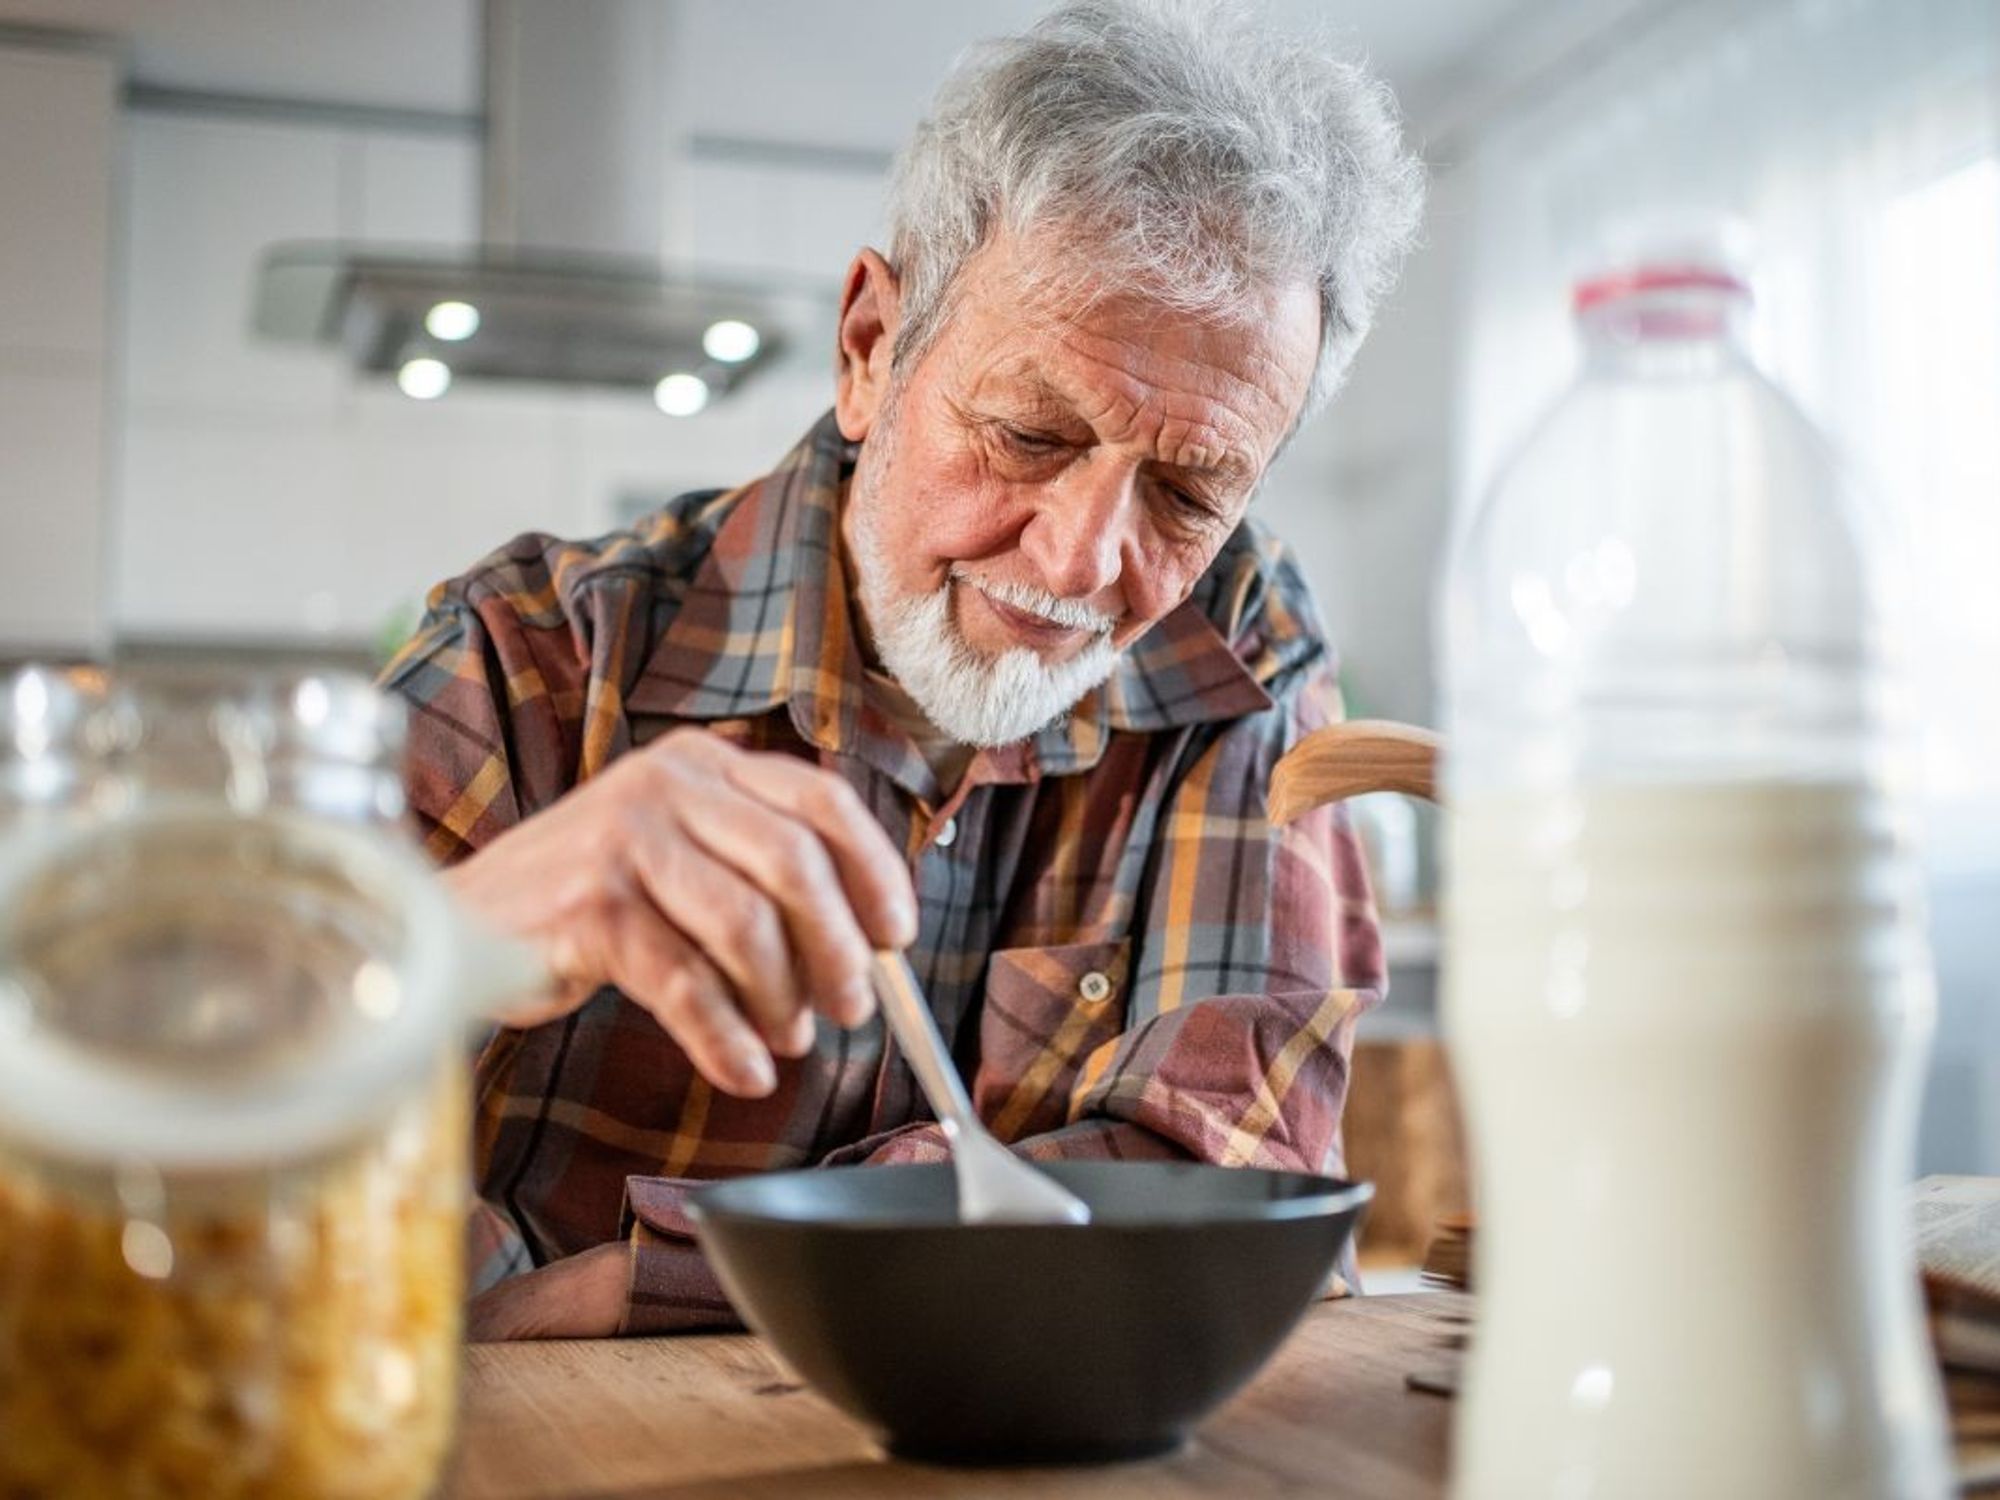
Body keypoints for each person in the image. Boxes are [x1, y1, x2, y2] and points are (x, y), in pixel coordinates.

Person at [383, 0, 1423, 1339]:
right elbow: (197, 1099)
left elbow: (1217, 1177)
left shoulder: (1240, 642)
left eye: (1187, 494)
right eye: (1030, 435)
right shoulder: (525, 659)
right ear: (871, 348)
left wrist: (647, 1281)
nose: (1081, 560)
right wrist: (448, 950)